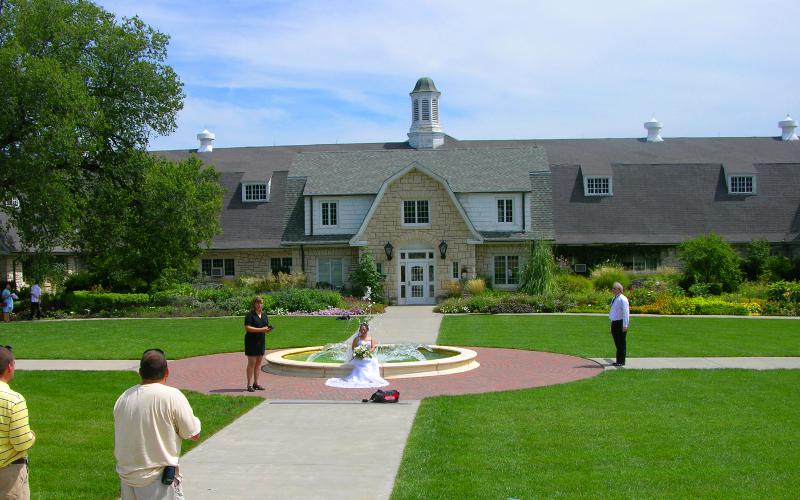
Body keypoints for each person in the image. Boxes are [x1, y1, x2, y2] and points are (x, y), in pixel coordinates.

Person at [114, 349, 201, 500]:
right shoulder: (172, 396)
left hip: (127, 477)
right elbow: (193, 434)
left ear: (140, 372)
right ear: (167, 372)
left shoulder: (123, 398)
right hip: (158, 481)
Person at [0, 346, 36, 499]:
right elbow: (21, 443)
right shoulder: (14, 400)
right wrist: (32, 436)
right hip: (8, 475)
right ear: (9, 367)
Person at [325, 323, 389, 389]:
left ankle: (370, 377)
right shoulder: (357, 339)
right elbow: (353, 348)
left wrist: (367, 352)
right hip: (359, 356)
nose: (362, 331)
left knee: (373, 361)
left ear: (367, 330)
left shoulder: (371, 338)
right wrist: (358, 353)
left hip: (368, 355)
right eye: (361, 330)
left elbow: (373, 347)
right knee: (362, 362)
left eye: (364, 330)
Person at [244, 296, 272, 392]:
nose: (259, 305)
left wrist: (267, 330)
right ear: (254, 304)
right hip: (251, 341)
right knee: (252, 363)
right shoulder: (250, 315)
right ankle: (249, 385)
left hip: (261, 341)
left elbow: (265, 327)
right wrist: (262, 330)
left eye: (261, 303)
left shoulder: (264, 315)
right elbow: (247, 328)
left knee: (258, 363)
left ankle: (256, 383)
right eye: (257, 303)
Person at [608, 281, 630, 367]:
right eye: (612, 288)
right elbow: (612, 313)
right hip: (614, 322)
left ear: (619, 289)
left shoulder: (623, 299)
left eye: (614, 288)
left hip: (620, 322)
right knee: (617, 342)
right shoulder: (614, 298)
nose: (612, 290)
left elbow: (626, 313)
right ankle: (618, 360)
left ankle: (621, 361)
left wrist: (625, 325)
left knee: (621, 343)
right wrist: (611, 325)